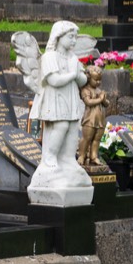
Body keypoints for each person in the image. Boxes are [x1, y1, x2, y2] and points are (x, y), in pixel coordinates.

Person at [28, 20, 92, 191]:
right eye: (70, 37)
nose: (74, 41)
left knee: (72, 127)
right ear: (59, 37)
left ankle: (69, 160)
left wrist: (77, 75)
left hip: (70, 97)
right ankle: (50, 159)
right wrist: (73, 74)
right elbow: (54, 80)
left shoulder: (72, 58)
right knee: (61, 126)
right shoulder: (50, 57)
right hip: (55, 99)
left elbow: (83, 79)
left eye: (75, 37)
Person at [77, 65, 109, 166]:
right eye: (96, 80)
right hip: (90, 119)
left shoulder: (100, 91)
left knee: (96, 139)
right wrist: (100, 99)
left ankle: (94, 156)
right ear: (89, 79)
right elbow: (88, 102)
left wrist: (103, 99)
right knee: (87, 138)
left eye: (100, 80)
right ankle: (82, 156)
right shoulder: (85, 90)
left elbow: (107, 103)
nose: (98, 82)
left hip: (100, 119)